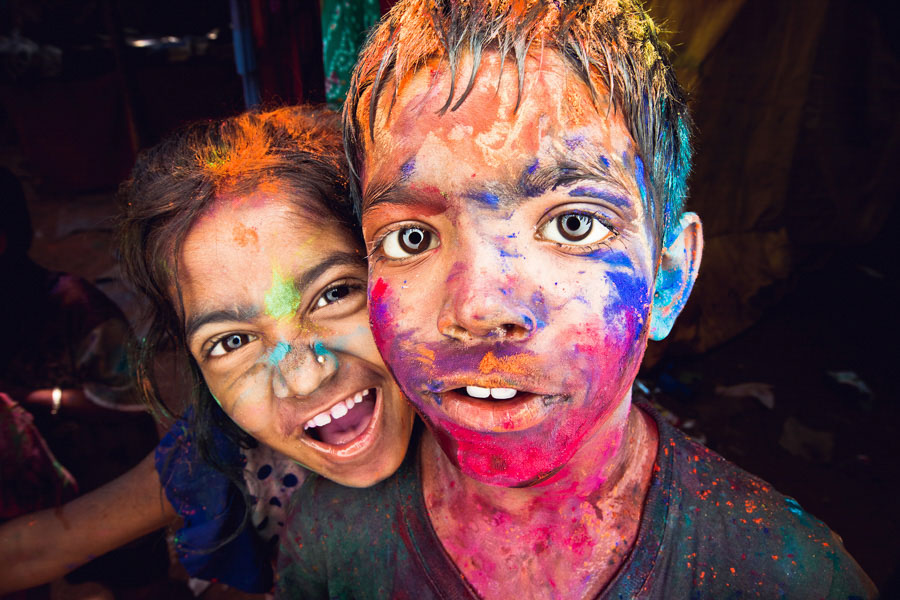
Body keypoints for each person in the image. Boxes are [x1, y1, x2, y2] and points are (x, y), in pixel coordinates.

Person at [275, 1, 878, 598]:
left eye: (574, 226)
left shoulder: (789, 579)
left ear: (669, 279)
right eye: (413, 237)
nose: (480, 308)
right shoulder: (331, 540)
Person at [0, 106, 415, 596]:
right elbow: (52, 542)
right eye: (232, 341)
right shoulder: (221, 451)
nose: (304, 378)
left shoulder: (497, 414)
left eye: (333, 294)